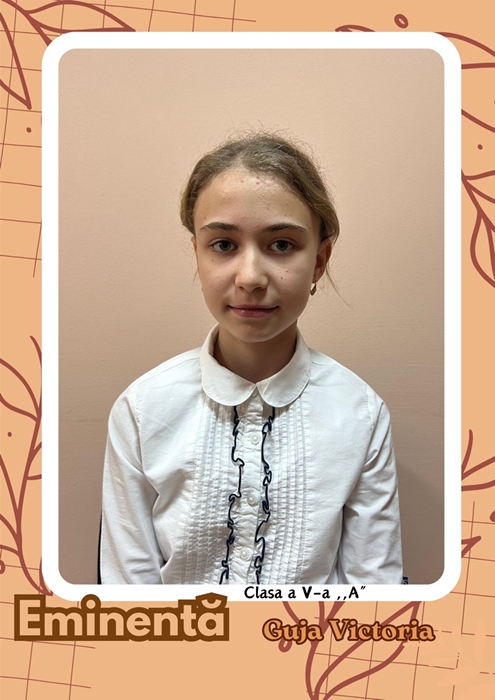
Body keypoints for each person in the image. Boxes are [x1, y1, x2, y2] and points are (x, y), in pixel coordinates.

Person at [101, 132, 403, 585]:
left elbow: (374, 589)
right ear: (198, 254)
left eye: (281, 245)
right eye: (224, 245)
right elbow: (127, 587)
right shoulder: (142, 410)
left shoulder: (360, 414)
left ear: (320, 261)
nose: (250, 277)